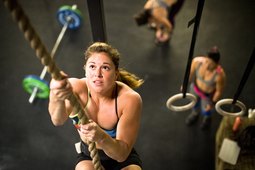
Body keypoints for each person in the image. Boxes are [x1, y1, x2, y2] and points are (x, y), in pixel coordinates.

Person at [48, 42, 144, 170]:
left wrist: (101, 137)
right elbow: (57, 120)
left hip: (120, 154)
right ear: (85, 70)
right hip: (89, 155)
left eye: (105, 68)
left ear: (116, 74)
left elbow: (121, 155)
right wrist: (56, 95)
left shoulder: (129, 99)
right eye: (92, 66)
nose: (97, 74)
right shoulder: (75, 89)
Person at [185, 46, 226, 129]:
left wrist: (212, 104)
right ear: (205, 58)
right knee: (194, 104)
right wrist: (184, 85)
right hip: (195, 89)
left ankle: (207, 119)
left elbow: (219, 91)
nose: (207, 66)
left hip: (207, 95)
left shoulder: (220, 75)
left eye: (211, 64)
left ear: (217, 64)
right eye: (206, 61)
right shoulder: (197, 62)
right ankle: (195, 114)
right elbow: (189, 74)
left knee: (207, 110)